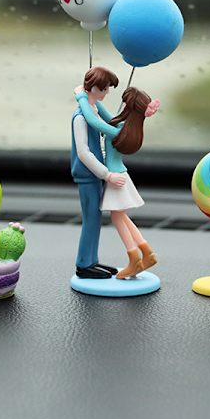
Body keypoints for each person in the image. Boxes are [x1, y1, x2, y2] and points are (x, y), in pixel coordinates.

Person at [74, 84, 160, 279]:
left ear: (129, 107)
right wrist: (92, 99)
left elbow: (94, 122)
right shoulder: (125, 126)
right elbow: (106, 116)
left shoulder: (120, 130)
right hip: (120, 175)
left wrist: (81, 97)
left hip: (115, 178)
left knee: (117, 218)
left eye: (124, 103)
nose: (121, 105)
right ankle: (147, 253)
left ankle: (134, 258)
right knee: (123, 217)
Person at [71, 66, 126, 279]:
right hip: (87, 175)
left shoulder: (93, 108)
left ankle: (91, 260)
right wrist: (107, 174)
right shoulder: (81, 117)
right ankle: (83, 264)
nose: (106, 92)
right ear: (93, 87)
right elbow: (83, 153)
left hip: (95, 174)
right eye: (104, 88)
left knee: (95, 218)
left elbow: (112, 121)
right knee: (91, 219)